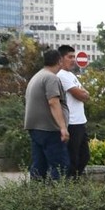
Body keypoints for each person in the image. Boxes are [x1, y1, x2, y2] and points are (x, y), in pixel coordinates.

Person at [24, 49, 70, 180]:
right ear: (59, 61)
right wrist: (62, 127)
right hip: (49, 129)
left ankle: (37, 195)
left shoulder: (37, 76)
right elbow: (53, 102)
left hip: (35, 128)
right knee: (60, 166)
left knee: (39, 166)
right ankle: (56, 196)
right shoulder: (51, 78)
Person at [57, 44, 91, 177]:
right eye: (69, 57)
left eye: (74, 57)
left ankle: (74, 181)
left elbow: (85, 94)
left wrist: (84, 94)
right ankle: (70, 184)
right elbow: (81, 95)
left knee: (84, 156)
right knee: (73, 158)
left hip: (80, 121)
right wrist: (83, 94)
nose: (73, 60)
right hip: (71, 123)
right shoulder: (61, 76)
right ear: (61, 58)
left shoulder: (71, 75)